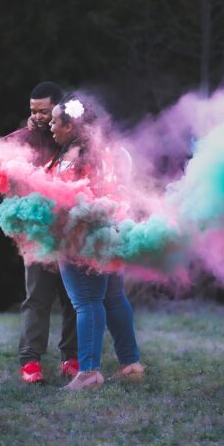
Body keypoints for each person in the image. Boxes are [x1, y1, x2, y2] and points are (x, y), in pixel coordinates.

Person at [46, 95, 144, 391]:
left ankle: (89, 373)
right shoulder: (110, 153)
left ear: (71, 125)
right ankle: (131, 365)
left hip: (81, 240)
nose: (50, 125)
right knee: (113, 298)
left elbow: (62, 201)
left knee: (87, 302)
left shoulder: (73, 158)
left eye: (54, 121)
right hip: (112, 233)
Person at [4, 82, 79, 384]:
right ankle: (30, 363)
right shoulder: (19, 141)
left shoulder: (71, 137)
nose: (36, 116)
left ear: (58, 110)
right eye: (32, 110)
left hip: (73, 232)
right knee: (36, 299)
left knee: (74, 298)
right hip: (36, 234)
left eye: (43, 111)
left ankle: (72, 358)